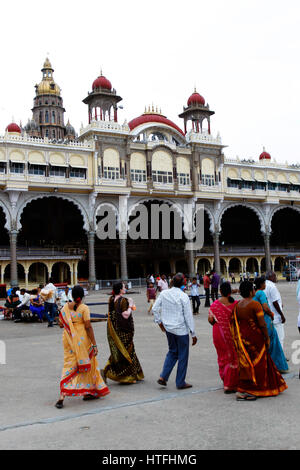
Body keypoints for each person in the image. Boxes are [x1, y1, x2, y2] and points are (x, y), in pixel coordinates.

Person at [230, 280, 287, 401]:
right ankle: (254, 389)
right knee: (259, 363)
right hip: (255, 338)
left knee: (247, 363)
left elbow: (234, 323)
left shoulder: (238, 305)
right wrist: (266, 338)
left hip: (243, 338)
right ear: (251, 291)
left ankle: (243, 388)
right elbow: (262, 324)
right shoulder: (255, 305)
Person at [55, 285, 110, 409]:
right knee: (89, 363)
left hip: (68, 339)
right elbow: (88, 327)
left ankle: (62, 396)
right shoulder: (84, 308)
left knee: (69, 364)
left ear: (72, 295)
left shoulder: (64, 308)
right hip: (82, 339)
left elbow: (60, 323)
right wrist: (94, 344)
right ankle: (89, 391)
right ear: (83, 296)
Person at [152, 273, 197, 390]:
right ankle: (180, 381)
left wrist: (160, 322)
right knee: (183, 355)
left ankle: (163, 377)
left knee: (172, 352)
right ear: (182, 283)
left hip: (169, 328)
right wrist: (193, 333)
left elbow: (154, 309)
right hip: (181, 330)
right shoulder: (183, 296)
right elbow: (188, 316)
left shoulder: (164, 293)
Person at [102, 282, 144, 384]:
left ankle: (135, 374)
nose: (125, 288)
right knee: (126, 352)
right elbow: (125, 315)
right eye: (124, 287)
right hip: (124, 330)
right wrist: (130, 305)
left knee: (121, 351)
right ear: (120, 290)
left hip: (115, 330)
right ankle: (112, 372)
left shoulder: (111, 299)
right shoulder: (124, 300)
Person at [208, 282, 239, 393]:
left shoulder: (215, 304)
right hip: (232, 333)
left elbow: (211, 320)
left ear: (220, 291)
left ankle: (226, 380)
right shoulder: (235, 304)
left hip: (218, 333)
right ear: (230, 291)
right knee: (233, 357)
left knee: (222, 357)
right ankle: (230, 383)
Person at [253, 277, 288, 373]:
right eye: (264, 283)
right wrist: (271, 314)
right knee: (274, 344)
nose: (265, 285)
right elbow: (265, 306)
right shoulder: (261, 293)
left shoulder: (254, 293)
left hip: (259, 321)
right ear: (261, 285)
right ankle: (277, 366)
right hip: (266, 321)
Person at [265, 271, 286, 350]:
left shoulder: (265, 285)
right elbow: (274, 302)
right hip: (276, 316)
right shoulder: (272, 286)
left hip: (269, 316)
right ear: (270, 277)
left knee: (272, 338)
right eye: (274, 276)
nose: (275, 278)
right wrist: (282, 315)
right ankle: (280, 357)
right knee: (280, 337)